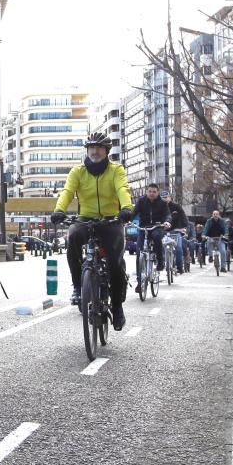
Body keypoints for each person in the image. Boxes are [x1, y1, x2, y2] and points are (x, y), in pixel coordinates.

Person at [50, 132, 133, 330]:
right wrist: (59, 210)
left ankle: (117, 306)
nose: (94, 151)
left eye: (99, 148)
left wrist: (126, 209)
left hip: (111, 219)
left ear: (106, 151)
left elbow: (122, 189)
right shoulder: (77, 171)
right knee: (73, 238)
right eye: (91, 148)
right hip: (85, 218)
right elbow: (68, 192)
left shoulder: (116, 170)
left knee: (115, 263)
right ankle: (78, 287)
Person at [131, 183, 172, 290]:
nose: (152, 193)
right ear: (146, 192)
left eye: (154, 192)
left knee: (156, 236)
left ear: (157, 193)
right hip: (143, 228)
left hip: (157, 227)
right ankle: (140, 283)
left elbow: (167, 215)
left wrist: (167, 222)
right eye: (150, 191)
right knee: (139, 253)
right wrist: (127, 220)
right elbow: (134, 212)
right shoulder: (141, 201)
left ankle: (160, 260)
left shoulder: (162, 203)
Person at [160, 190, 190, 273]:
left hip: (176, 230)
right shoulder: (158, 207)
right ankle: (161, 262)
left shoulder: (176, 206)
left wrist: (185, 227)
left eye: (166, 197)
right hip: (163, 231)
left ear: (170, 197)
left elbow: (183, 217)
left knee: (178, 248)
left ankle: (179, 267)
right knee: (160, 247)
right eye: (162, 198)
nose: (164, 199)